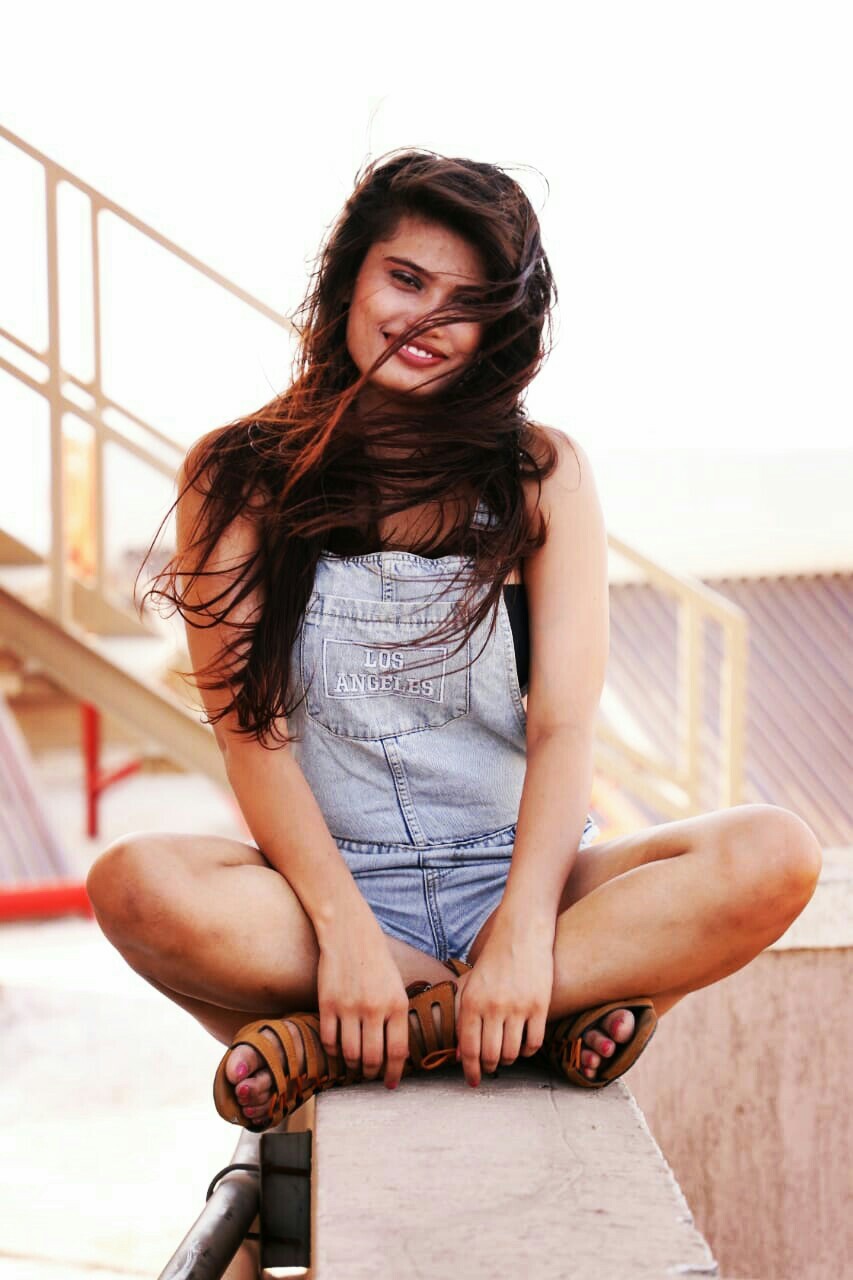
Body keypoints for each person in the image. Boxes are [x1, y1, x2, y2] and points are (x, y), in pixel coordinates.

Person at [87, 149, 822, 1136]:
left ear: (497, 330)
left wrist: (523, 929)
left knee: (774, 853)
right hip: (324, 888)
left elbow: (562, 726)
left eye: (465, 304)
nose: (424, 321)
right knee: (134, 885)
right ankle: (527, 1015)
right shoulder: (236, 472)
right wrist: (348, 933)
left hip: (523, 873)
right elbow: (249, 732)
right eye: (405, 279)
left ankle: (357, 1035)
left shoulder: (540, 472)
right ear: (349, 277)